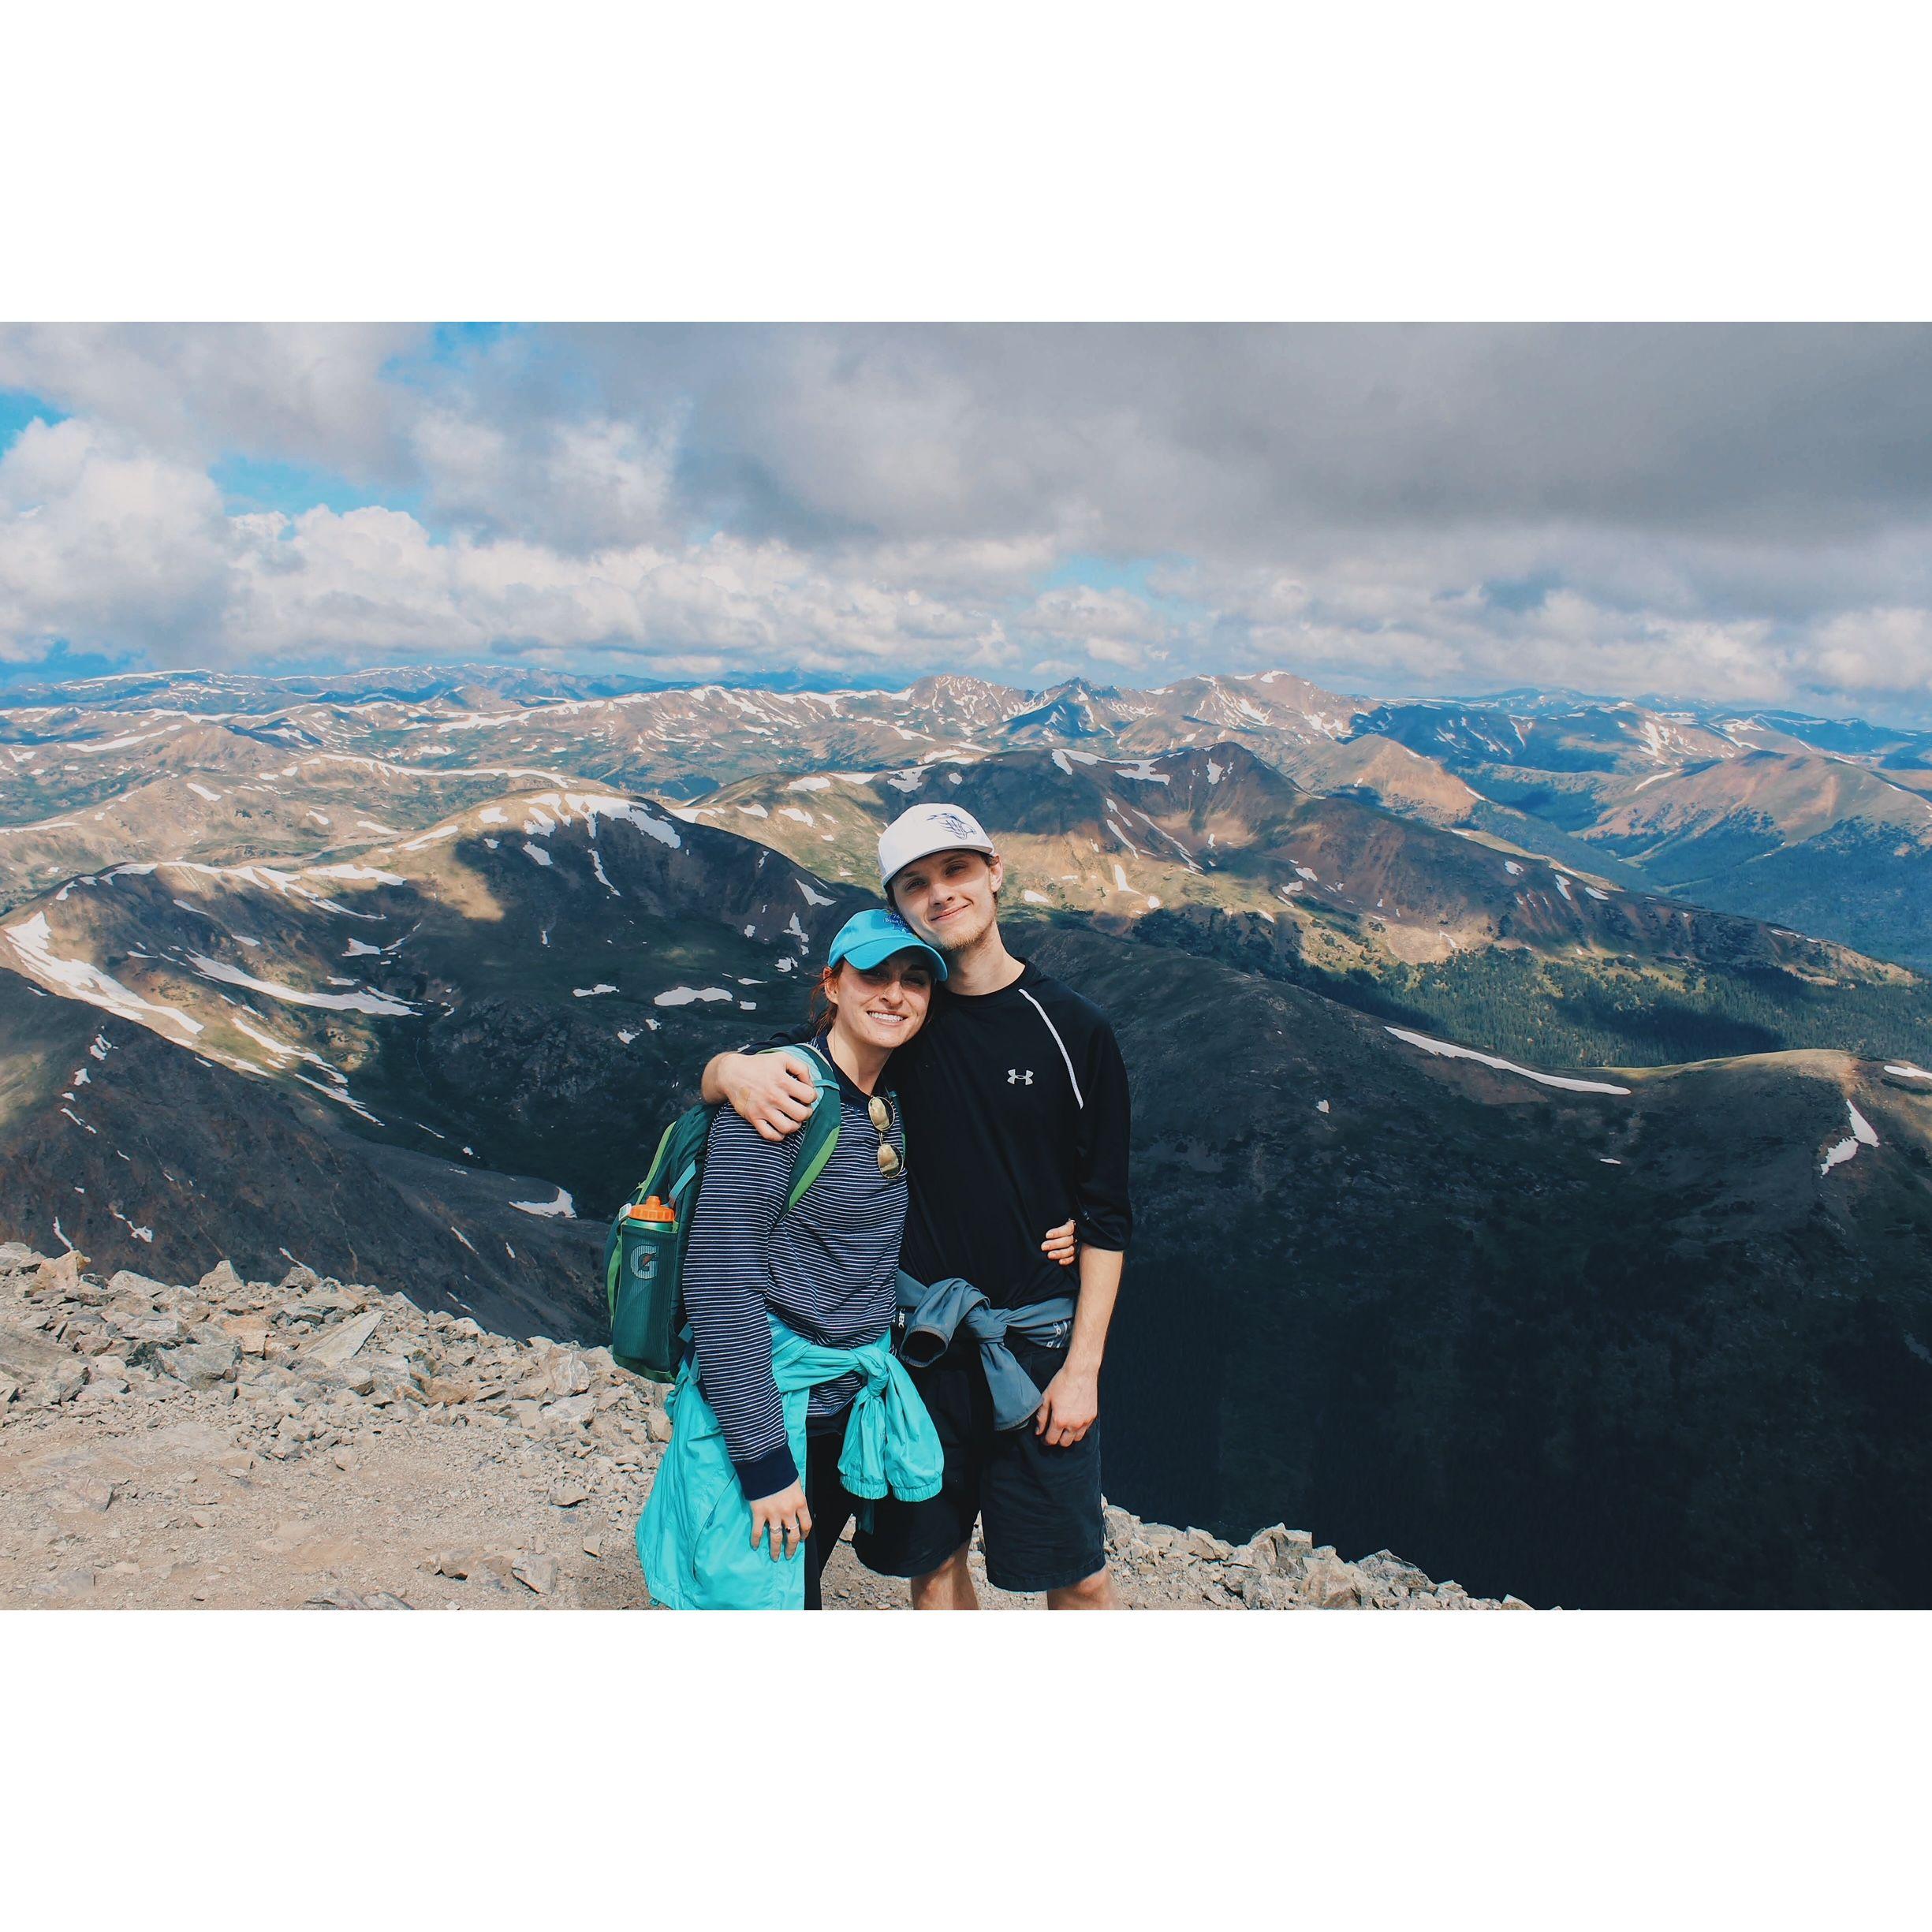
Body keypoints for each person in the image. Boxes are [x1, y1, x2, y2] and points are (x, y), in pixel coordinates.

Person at [703, 800, 1132, 1610]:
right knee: (931, 1561)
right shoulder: (898, 1021)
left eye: (956, 870)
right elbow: (806, 1068)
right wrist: (727, 1068)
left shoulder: (1074, 1029)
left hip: (1034, 1351)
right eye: (916, 883)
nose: (940, 893)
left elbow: (1107, 1212)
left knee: (1076, 1573)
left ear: (994, 872)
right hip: (913, 1355)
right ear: (895, 903)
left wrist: (1083, 1369)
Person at [637, 908, 949, 1611]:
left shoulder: (885, 1100)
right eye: (874, 974)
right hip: (775, 1414)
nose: (894, 994)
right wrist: (765, 1466)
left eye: (914, 980)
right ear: (832, 984)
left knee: (792, 1593)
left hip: (842, 1408)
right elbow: (721, 1288)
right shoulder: (784, 1099)